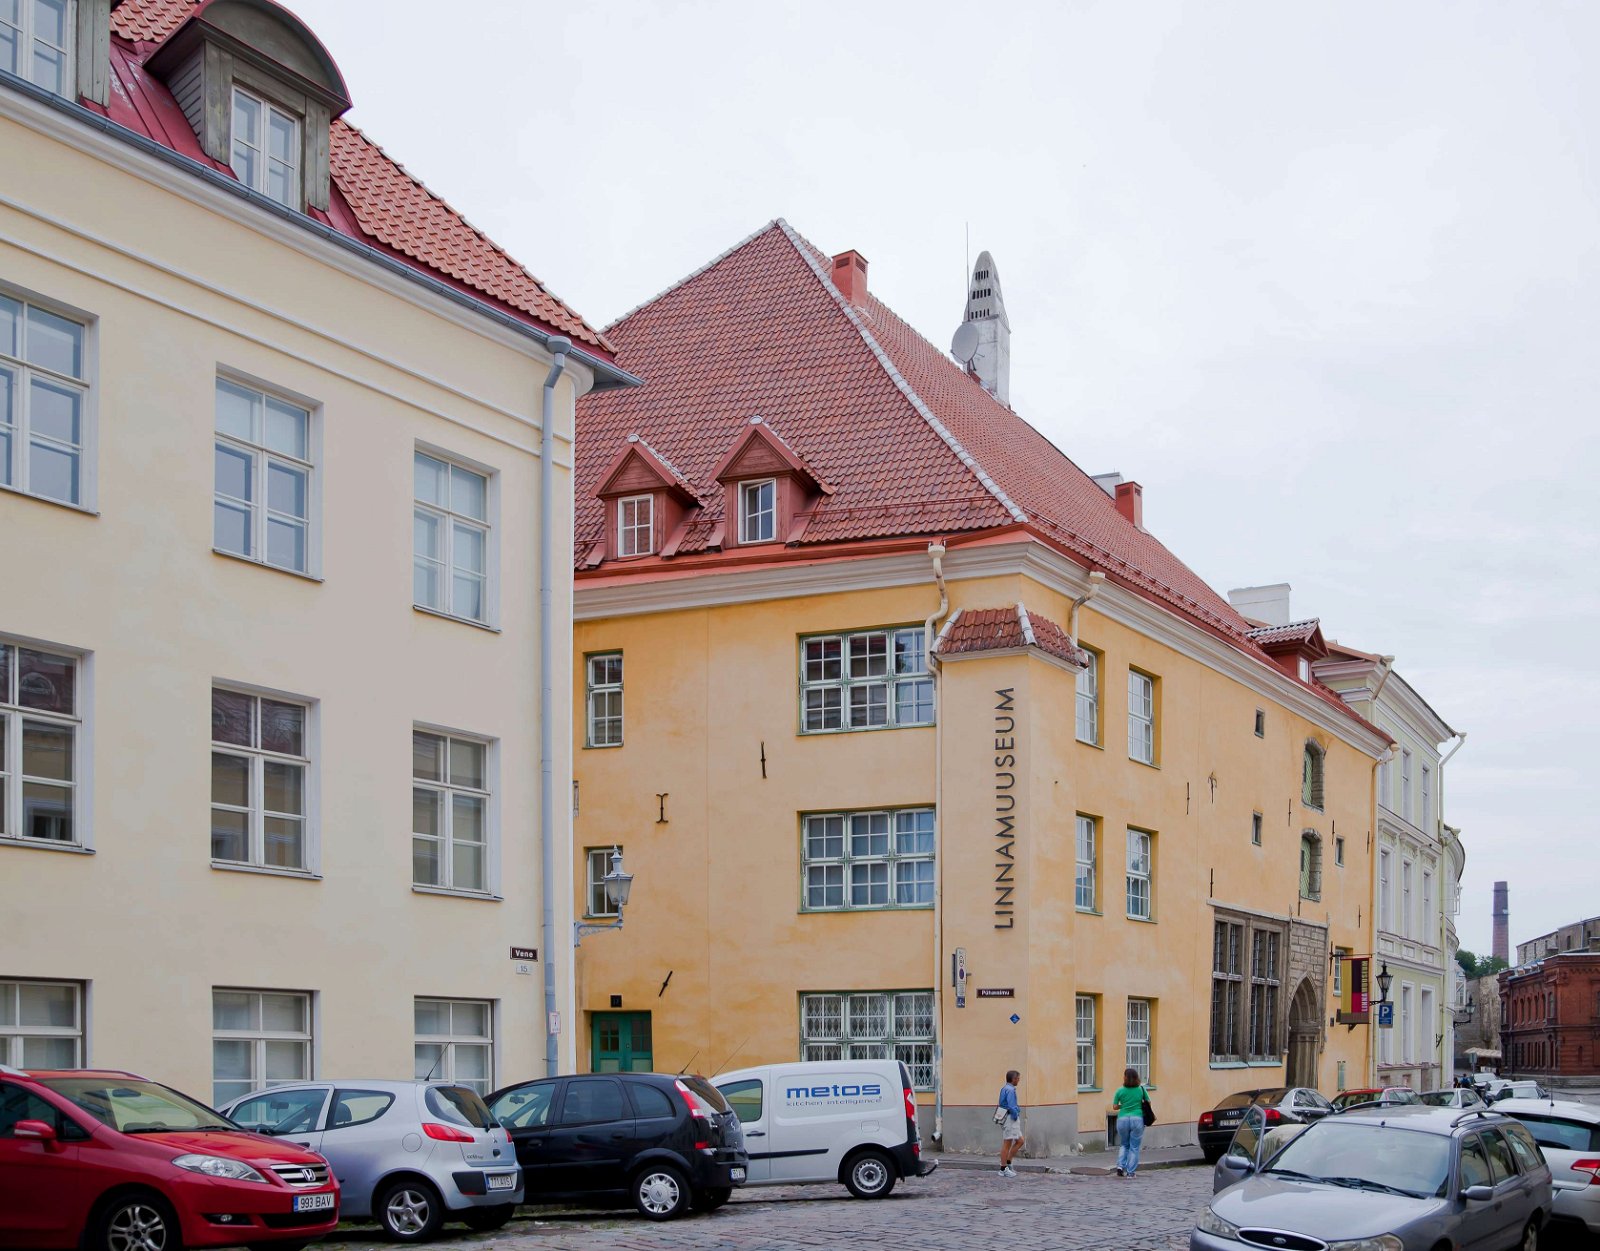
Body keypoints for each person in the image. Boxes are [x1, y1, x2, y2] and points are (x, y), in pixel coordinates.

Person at [1111, 1067, 1147, 1177]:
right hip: (1137, 1118)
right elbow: (1148, 1102)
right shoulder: (1141, 1089)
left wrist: (1123, 1105)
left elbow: (1115, 1107)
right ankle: (1130, 1172)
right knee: (1134, 1147)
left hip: (1123, 1119)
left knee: (1124, 1144)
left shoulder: (1120, 1090)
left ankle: (1120, 1166)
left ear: (1125, 1078)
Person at [997, 1069, 1024, 1176]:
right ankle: (1003, 1169)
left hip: (1008, 1117)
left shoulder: (1005, 1088)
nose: (1018, 1080)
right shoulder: (1010, 1090)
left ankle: (1008, 1162)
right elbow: (1011, 1106)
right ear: (1014, 1079)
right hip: (1010, 1118)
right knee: (1007, 1144)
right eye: (1018, 1078)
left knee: (1020, 1141)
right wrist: (1015, 1115)